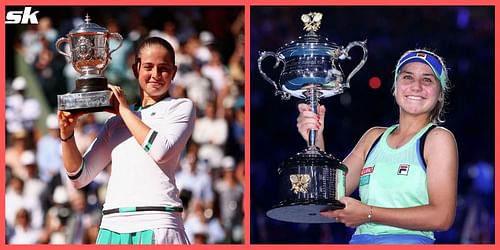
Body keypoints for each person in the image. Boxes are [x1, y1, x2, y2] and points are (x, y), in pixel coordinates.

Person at [296, 49, 458, 244]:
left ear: (440, 94)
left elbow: (442, 217)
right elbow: (325, 195)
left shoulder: (438, 138)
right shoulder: (373, 137)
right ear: (395, 87)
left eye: (427, 80)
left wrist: (369, 214)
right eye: (407, 77)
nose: (416, 86)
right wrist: (315, 138)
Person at [57, 37, 195, 244]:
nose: (156, 75)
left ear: (174, 72)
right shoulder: (116, 122)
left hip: (158, 223)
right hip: (112, 226)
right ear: (135, 69)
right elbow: (79, 177)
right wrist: (67, 134)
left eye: (164, 68)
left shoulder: (180, 107)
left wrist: (122, 110)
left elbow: (161, 151)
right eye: (148, 67)